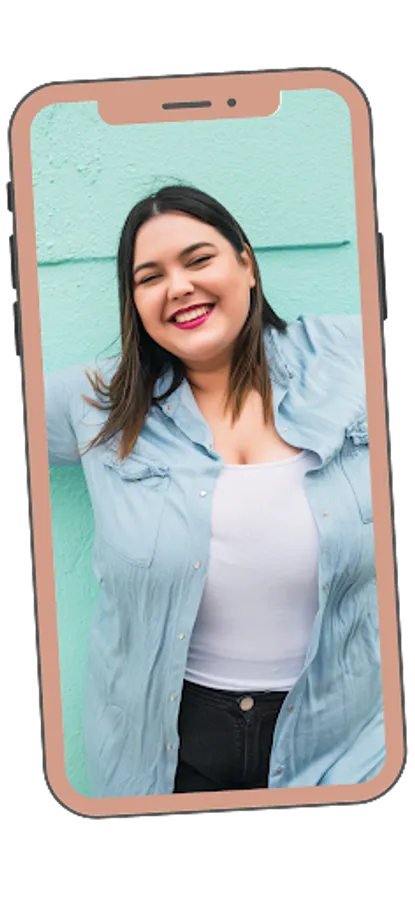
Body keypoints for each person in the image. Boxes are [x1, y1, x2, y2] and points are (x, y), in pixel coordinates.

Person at [45, 185, 385, 799]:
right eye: (150, 277)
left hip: (345, 743)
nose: (178, 286)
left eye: (198, 260)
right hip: (165, 751)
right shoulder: (95, 403)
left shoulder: (349, 356)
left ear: (246, 264)